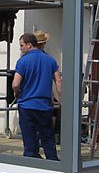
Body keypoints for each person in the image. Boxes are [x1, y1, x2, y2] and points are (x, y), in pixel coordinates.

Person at [12, 32, 62, 160]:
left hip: (26, 104)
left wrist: (17, 93)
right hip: (44, 105)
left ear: (29, 45)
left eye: (21, 45)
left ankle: (32, 160)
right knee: (47, 136)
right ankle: (52, 160)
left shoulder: (22, 61)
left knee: (29, 137)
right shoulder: (50, 60)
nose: (20, 48)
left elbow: (15, 83)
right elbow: (58, 82)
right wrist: (61, 100)